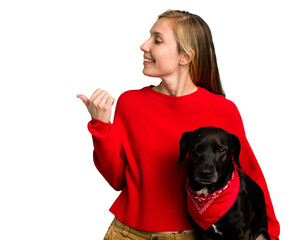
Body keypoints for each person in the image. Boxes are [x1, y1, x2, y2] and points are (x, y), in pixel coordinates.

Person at [77, 10, 280, 240]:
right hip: (127, 233)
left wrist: (269, 235)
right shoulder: (130, 103)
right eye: (149, 37)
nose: (144, 46)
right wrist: (101, 127)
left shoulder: (222, 110)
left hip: (196, 235)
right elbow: (117, 180)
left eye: (157, 40)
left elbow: (252, 180)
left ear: (185, 56)